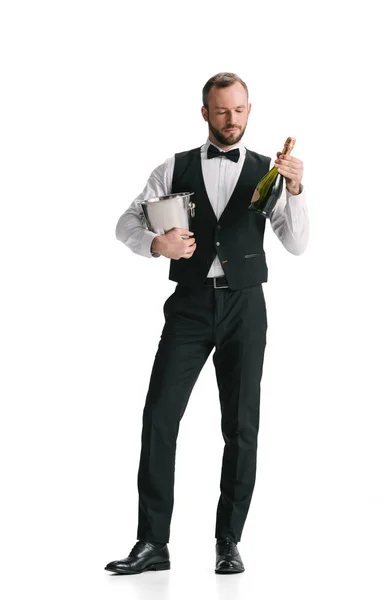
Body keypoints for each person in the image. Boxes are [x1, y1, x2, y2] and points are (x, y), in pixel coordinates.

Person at [105, 72, 309, 576]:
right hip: (190, 306)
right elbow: (126, 223)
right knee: (159, 419)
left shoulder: (269, 171)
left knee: (240, 428)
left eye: (239, 110)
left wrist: (298, 188)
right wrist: (158, 244)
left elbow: (298, 243)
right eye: (221, 111)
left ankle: (228, 541)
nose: (231, 120)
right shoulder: (172, 168)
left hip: (246, 307)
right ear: (205, 113)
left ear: (249, 109)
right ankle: (152, 543)